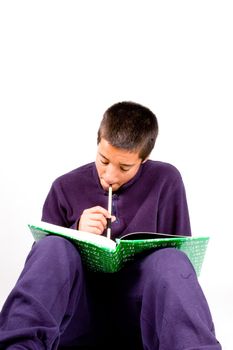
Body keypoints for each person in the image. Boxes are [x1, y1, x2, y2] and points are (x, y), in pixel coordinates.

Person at [0, 101, 221, 349]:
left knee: (172, 261)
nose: (110, 176)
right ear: (97, 142)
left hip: (141, 320)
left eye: (124, 167)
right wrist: (76, 231)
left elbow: (182, 259)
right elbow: (42, 272)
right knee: (52, 248)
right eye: (103, 160)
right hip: (77, 318)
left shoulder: (166, 180)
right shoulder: (64, 187)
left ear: (144, 159)